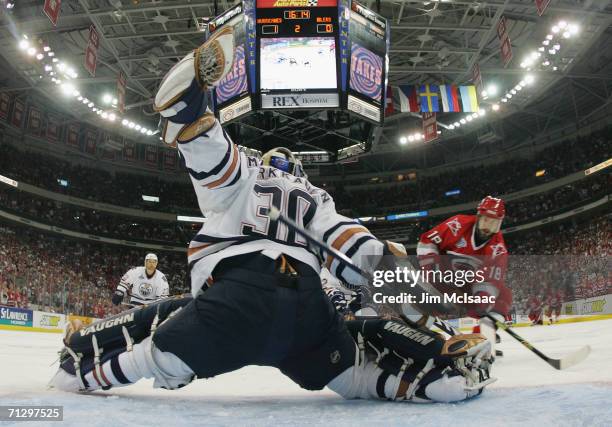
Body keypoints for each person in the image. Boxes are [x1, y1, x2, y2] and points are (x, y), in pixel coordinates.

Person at [49, 26, 493, 403]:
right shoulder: (316, 198)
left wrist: (193, 123)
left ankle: (74, 376)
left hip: (238, 295)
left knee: (154, 355)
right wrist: (412, 293)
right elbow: (361, 253)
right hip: (306, 307)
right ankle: (435, 383)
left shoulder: (246, 172)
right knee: (353, 378)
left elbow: (213, 160)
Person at [416, 196, 511, 356]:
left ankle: (485, 341)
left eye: (494, 223)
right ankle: (415, 337)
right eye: (486, 221)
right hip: (440, 278)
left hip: (467, 289)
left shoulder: (498, 249)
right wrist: (432, 269)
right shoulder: (457, 224)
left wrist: (483, 300)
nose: (488, 228)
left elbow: (491, 282)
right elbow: (426, 242)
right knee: (419, 300)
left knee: (503, 297)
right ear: (478, 217)